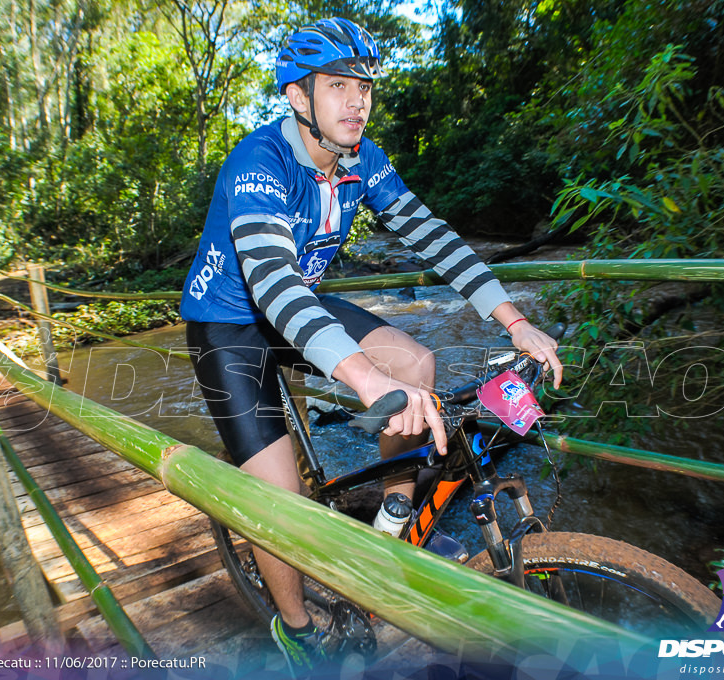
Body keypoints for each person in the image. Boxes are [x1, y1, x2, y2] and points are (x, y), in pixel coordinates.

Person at [180, 17, 563, 675]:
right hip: (230, 323)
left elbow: (432, 235)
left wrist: (512, 320)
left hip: (299, 301)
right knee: (281, 512)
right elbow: (272, 284)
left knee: (416, 362)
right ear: (299, 97)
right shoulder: (258, 163)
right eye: (337, 86)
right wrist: (364, 382)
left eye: (364, 86)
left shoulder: (364, 160)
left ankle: (391, 510)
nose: (357, 101)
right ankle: (299, 633)